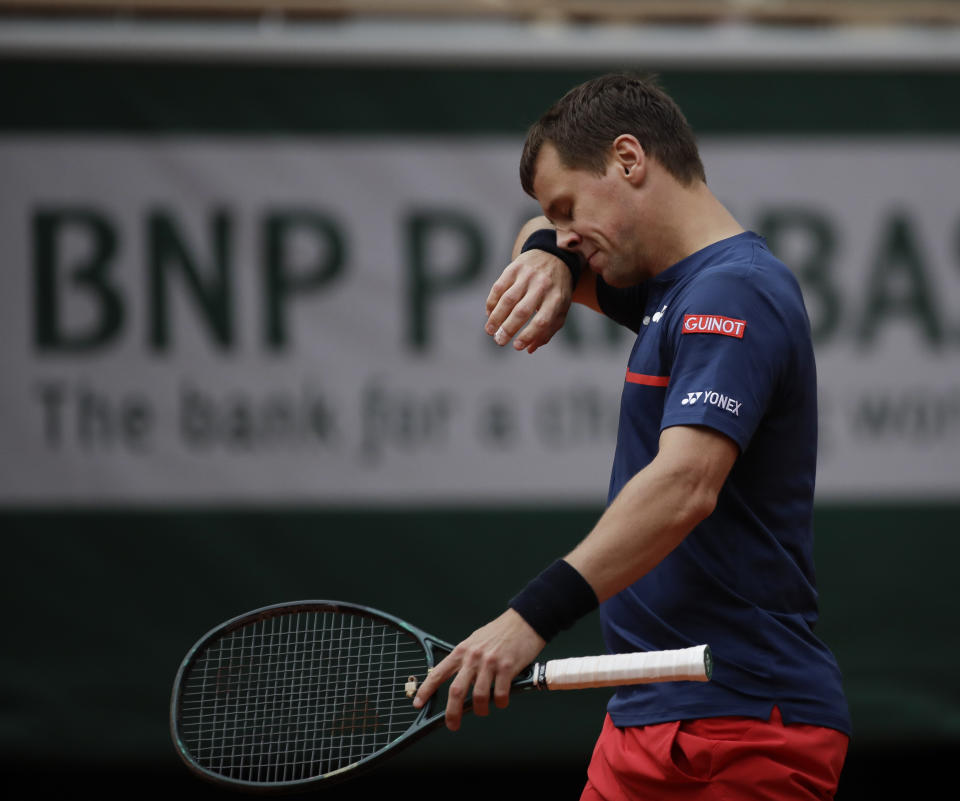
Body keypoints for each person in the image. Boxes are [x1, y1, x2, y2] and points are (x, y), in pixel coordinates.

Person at [413, 72, 851, 800]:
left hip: (741, 727)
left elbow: (685, 485)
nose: (566, 229)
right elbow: (533, 233)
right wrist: (547, 255)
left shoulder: (732, 290)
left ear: (628, 159)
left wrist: (529, 619)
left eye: (568, 207)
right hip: (644, 721)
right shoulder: (668, 290)